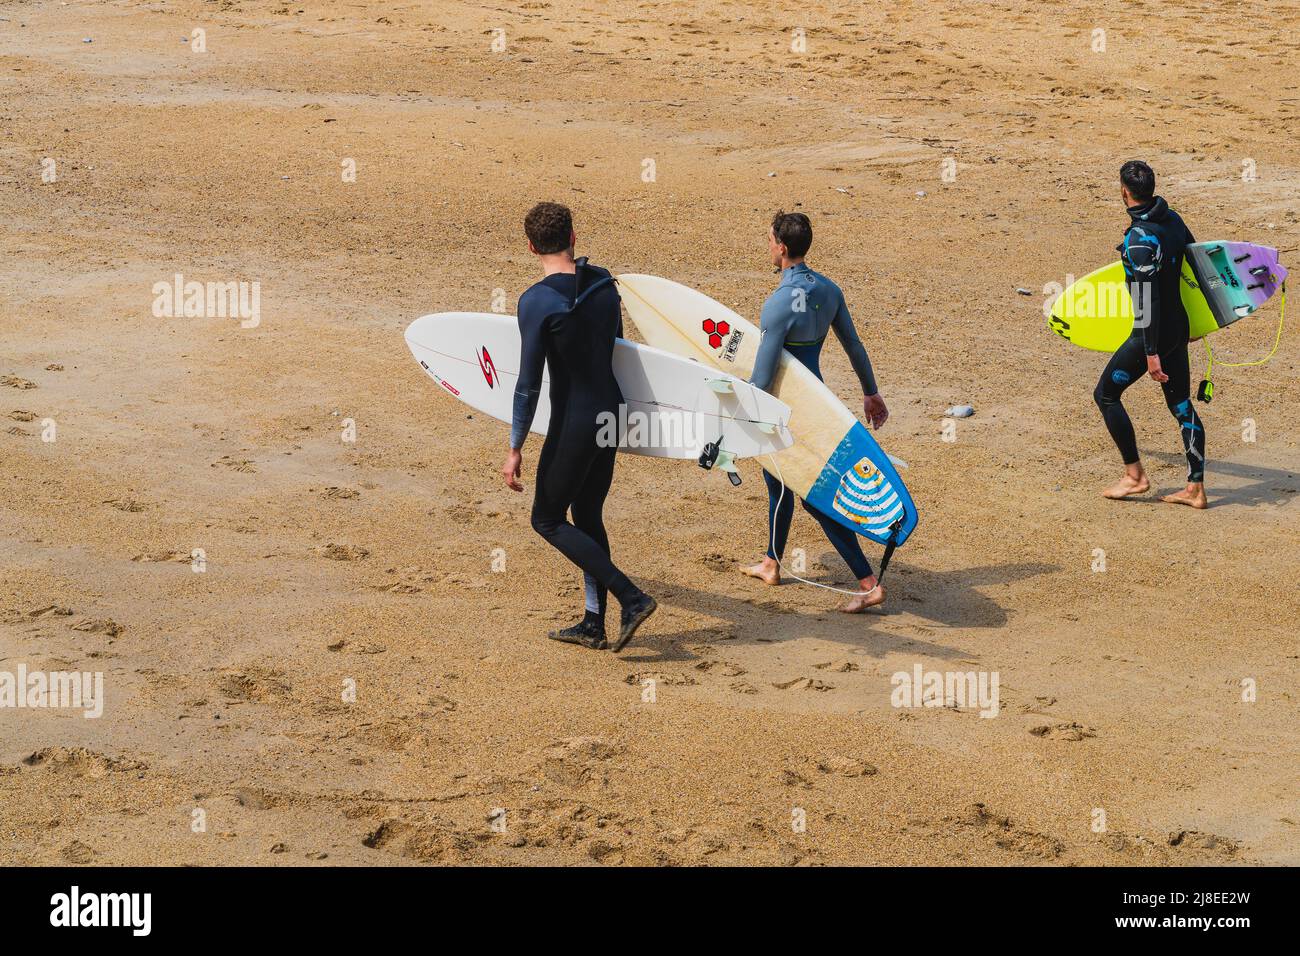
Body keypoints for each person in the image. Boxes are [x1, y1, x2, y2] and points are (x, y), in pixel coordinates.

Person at [501, 202, 657, 651]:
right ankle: (593, 622)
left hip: (575, 422)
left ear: (531, 245)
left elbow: (528, 385)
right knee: (587, 515)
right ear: (574, 234)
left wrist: (515, 448)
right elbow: (619, 349)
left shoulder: (536, 301)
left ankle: (632, 598)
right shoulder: (606, 282)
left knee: (547, 519)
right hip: (610, 412)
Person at [740, 211, 891, 612]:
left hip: (788, 410)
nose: (768, 247)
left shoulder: (777, 305)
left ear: (782, 247)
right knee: (779, 482)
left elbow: (762, 376)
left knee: (812, 496)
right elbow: (854, 346)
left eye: (770, 241)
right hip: (817, 400)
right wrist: (870, 392)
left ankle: (869, 583)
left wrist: (734, 412)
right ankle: (772, 562)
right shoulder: (829, 290)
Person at [1093, 161, 1207, 508]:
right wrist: (1200, 323)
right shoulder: (1173, 220)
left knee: (1106, 395)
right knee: (1181, 404)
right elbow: (1194, 263)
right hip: (1179, 325)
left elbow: (1146, 299)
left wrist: (1151, 351)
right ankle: (1196, 489)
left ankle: (1135, 476)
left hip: (1152, 334)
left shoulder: (1138, 240)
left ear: (1124, 191)